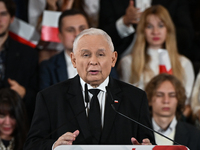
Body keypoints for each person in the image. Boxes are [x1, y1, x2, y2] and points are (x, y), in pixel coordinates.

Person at [24, 28, 155, 150]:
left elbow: (149, 143)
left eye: (101, 54)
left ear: (113, 59)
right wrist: (54, 146)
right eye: (86, 55)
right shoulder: (50, 98)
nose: (93, 61)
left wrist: (146, 147)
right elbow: (32, 145)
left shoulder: (136, 98)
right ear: (74, 60)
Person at [118, 5, 194, 118]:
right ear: (142, 30)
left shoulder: (184, 63)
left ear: (168, 29)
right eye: (149, 26)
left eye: (160, 25)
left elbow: (187, 106)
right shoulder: (128, 63)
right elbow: (126, 103)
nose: (155, 31)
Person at [39, 9, 118, 91]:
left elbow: (114, 94)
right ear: (60, 36)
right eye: (70, 30)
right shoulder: (48, 67)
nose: (77, 34)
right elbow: (47, 101)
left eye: (82, 29)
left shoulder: (106, 62)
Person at [99, 0, 194, 59]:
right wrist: (124, 22)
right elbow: (101, 37)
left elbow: (187, 34)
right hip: (123, 56)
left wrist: (165, 27)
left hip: (166, 55)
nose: (155, 31)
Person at [0, 0, 38, 122]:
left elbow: (38, 96)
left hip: (17, 127)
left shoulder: (29, 54)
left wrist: (24, 93)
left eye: (3, 14)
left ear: (12, 18)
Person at [145, 74, 200, 150]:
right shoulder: (137, 133)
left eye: (172, 95)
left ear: (178, 99)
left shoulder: (195, 135)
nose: (166, 101)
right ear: (149, 99)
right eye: (160, 95)